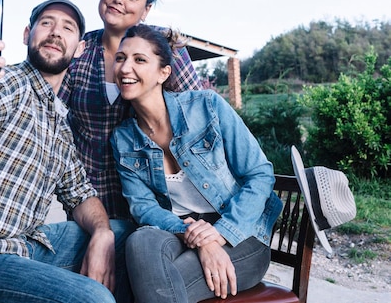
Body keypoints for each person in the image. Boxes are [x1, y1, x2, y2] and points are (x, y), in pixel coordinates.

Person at [0, 0, 134, 303]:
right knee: (92, 299)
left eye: (67, 27)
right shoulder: (9, 83)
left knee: (129, 236)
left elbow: (81, 193)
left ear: (80, 48)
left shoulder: (59, 120)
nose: (56, 32)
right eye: (46, 23)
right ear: (27, 34)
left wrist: (102, 234)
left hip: (18, 248)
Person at [109, 24, 283, 302]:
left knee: (148, 283)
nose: (125, 68)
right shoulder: (123, 138)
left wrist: (218, 235)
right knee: (140, 241)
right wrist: (194, 235)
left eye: (139, 60)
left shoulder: (207, 106)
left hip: (241, 233)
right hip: (179, 231)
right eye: (121, 58)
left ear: (163, 73)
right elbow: (144, 207)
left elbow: (259, 174)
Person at [59, 0, 202, 221]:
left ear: (146, 10)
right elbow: (54, 119)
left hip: (158, 199)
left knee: (148, 253)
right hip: (93, 198)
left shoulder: (165, 46)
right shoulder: (79, 52)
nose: (118, 0)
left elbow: (197, 115)